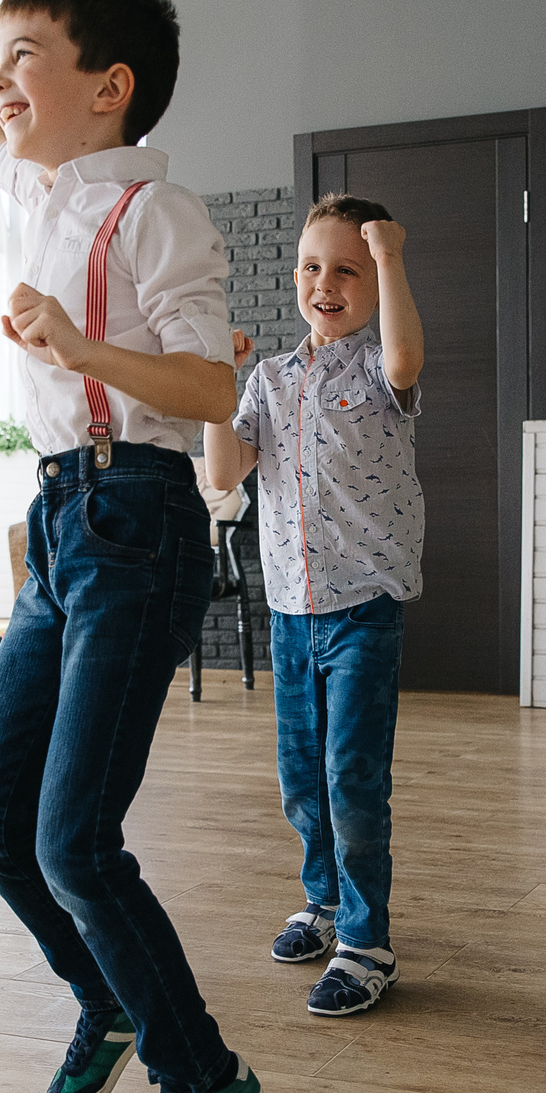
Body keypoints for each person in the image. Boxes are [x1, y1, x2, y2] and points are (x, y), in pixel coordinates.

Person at [0, 0, 263, 1093]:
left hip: (139, 510)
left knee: (75, 837)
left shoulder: (150, 210)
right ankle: (107, 1000)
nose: (1, 79)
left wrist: (83, 351)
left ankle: (205, 1068)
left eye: (29, 57)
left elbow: (214, 380)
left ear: (108, 88)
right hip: (63, 520)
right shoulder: (40, 190)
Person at [201, 195, 426, 1017]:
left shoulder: (376, 368)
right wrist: (220, 384)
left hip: (364, 606)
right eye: (310, 266)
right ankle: (323, 903)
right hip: (291, 612)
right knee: (302, 777)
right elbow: (225, 472)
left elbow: (404, 355)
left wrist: (392, 253)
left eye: (346, 268)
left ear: (373, 280)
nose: (324, 282)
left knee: (351, 777)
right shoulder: (270, 378)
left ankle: (368, 941)